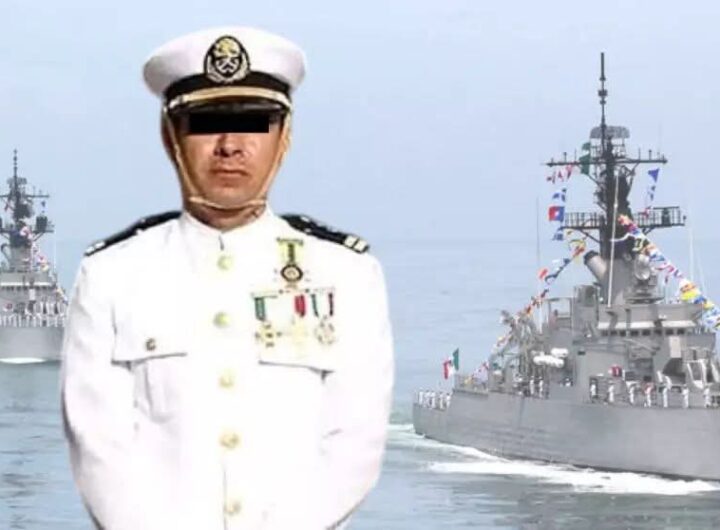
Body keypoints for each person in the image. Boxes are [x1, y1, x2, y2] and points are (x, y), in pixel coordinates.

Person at [60, 26, 394, 530]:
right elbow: (99, 447)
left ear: (284, 137)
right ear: (170, 137)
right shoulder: (111, 275)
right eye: (206, 124)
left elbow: (354, 444)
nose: (230, 146)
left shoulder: (347, 275)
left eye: (254, 124)